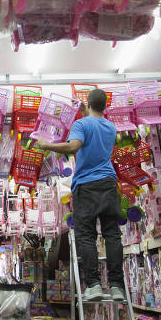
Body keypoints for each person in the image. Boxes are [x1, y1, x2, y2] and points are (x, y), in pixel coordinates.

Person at [35, 89, 124, 301]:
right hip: (109, 183)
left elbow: (74, 146)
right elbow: (95, 129)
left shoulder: (81, 125)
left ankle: (93, 285)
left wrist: (45, 144)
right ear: (103, 106)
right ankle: (116, 286)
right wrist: (87, 113)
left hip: (86, 185)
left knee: (87, 235)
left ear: (88, 103)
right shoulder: (110, 126)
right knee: (112, 234)